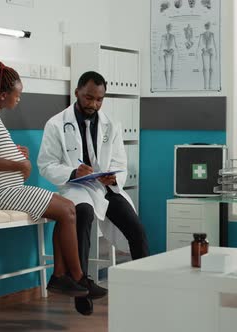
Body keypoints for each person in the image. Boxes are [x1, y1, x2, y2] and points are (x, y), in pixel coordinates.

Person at [0, 61, 106, 302]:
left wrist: (13, 151)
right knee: (67, 210)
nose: (18, 99)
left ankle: (61, 276)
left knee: (65, 209)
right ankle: (78, 277)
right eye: (17, 95)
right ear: (3, 94)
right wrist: (20, 165)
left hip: (5, 188)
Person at [38, 71, 149, 315]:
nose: (94, 104)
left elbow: (121, 160)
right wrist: (73, 172)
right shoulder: (56, 124)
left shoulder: (112, 124)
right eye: (89, 98)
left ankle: (143, 288)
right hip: (76, 187)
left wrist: (114, 177)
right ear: (77, 92)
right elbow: (45, 165)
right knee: (84, 215)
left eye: (99, 100)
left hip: (105, 186)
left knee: (136, 230)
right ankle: (81, 288)